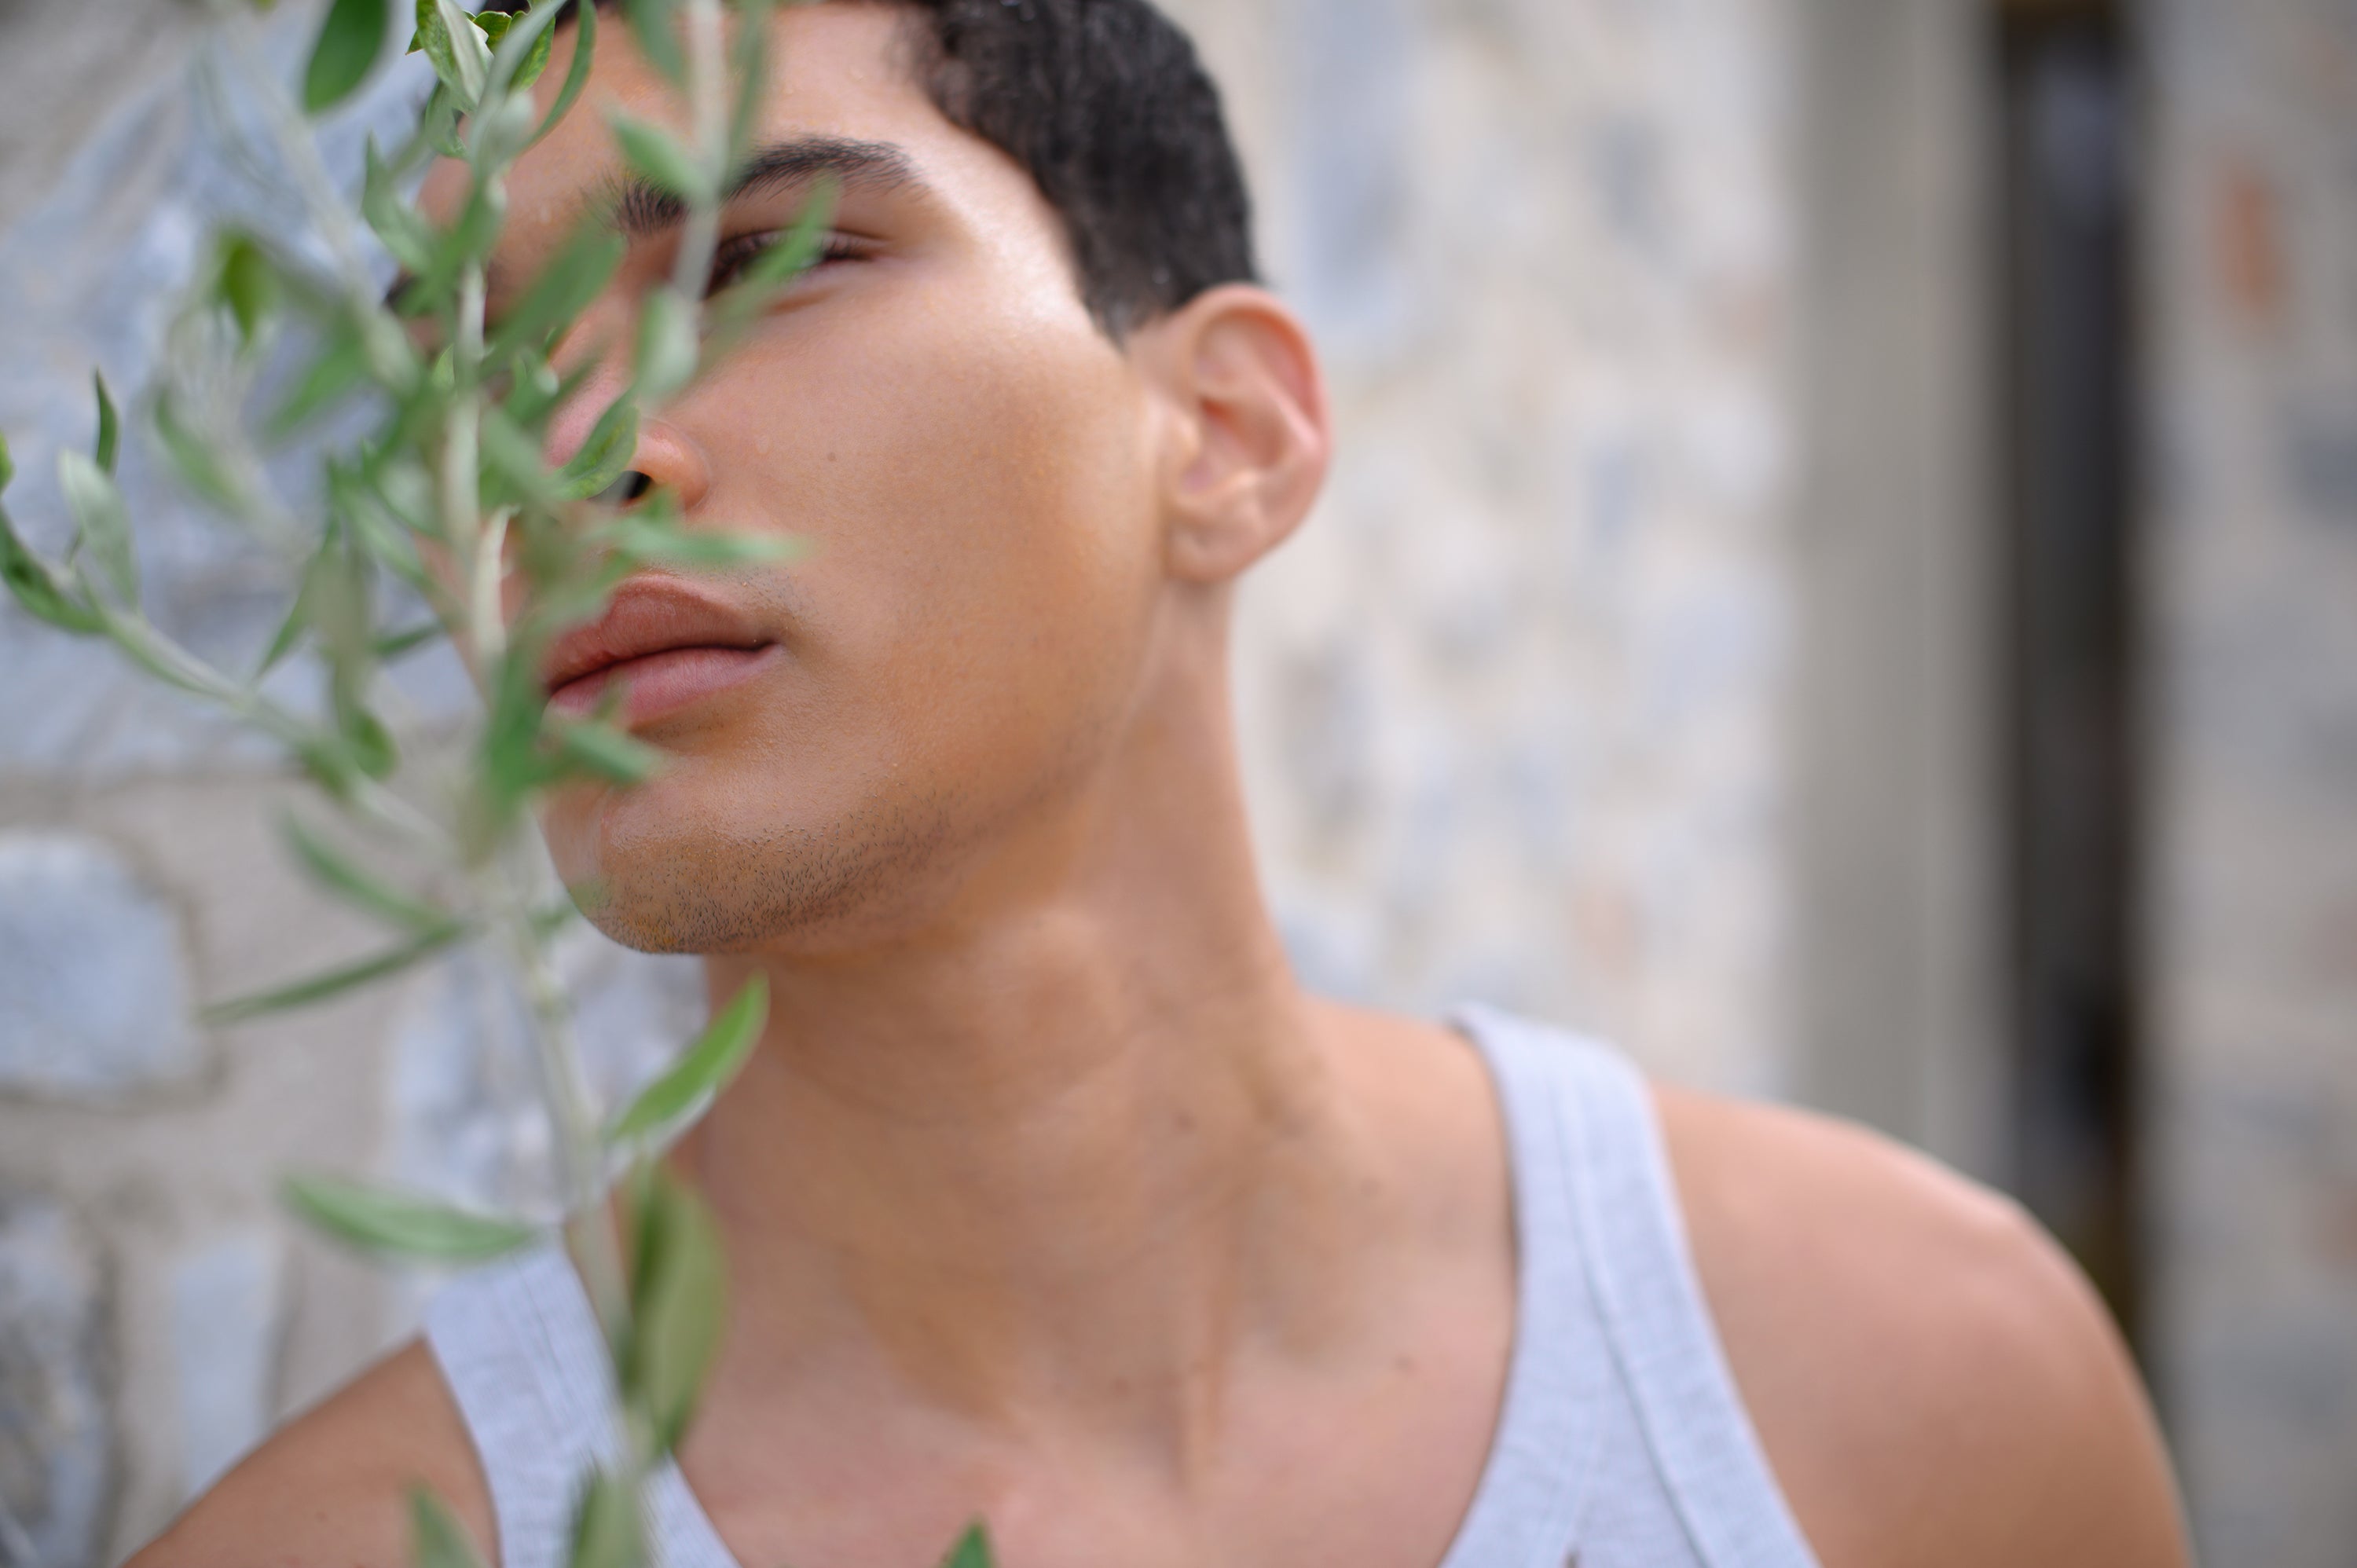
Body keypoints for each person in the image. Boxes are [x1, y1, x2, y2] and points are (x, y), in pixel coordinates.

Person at [136, 2, 2191, 1564]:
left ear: (1224, 434)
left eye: (757, 267)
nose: (560, 462)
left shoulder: (1915, 1392)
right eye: (475, 377)